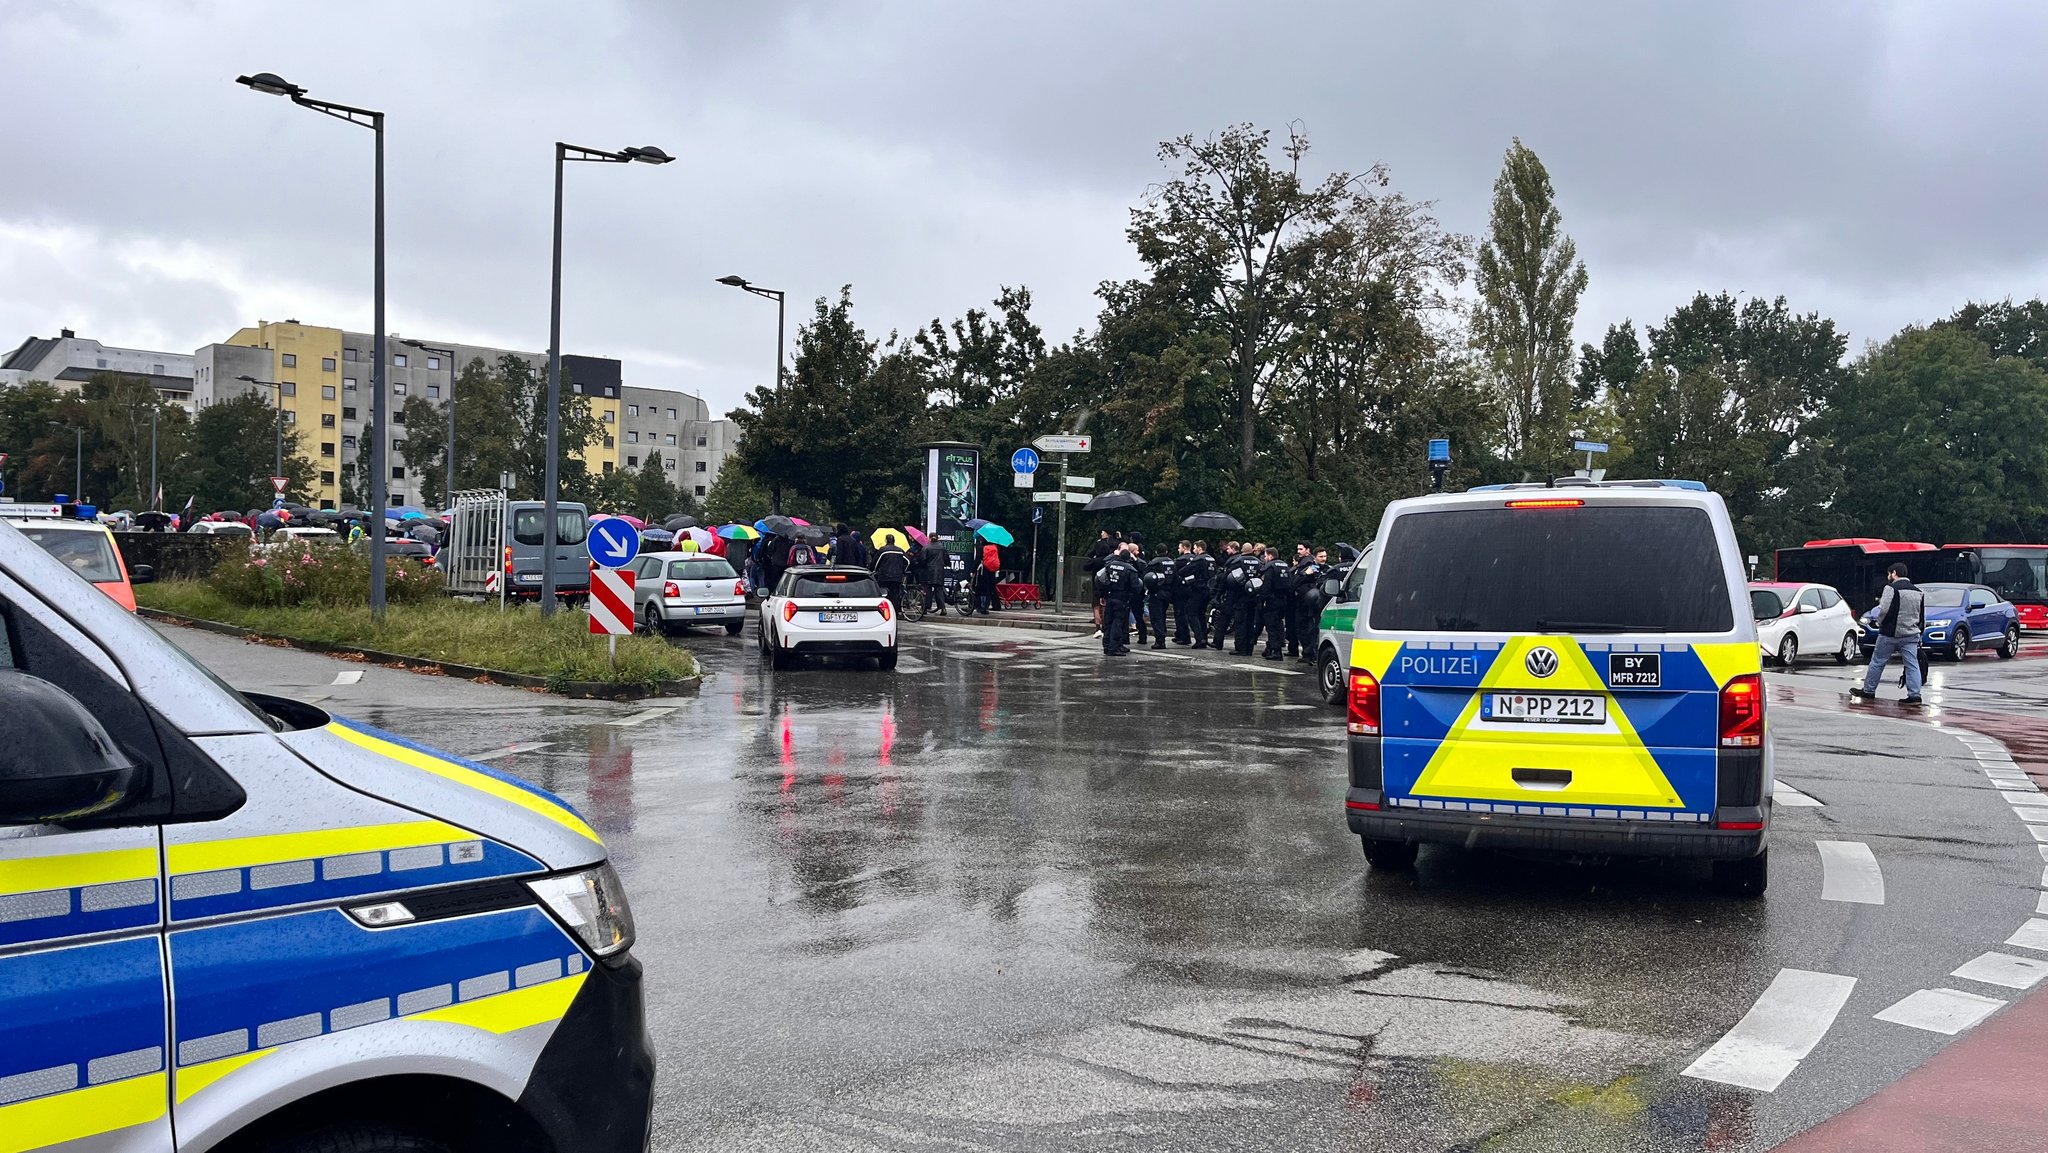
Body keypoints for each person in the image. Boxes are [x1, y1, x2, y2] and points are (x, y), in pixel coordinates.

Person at [1853, 562, 1926, 704]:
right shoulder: (1918, 591)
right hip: (1910, 634)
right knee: (1912, 664)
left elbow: (1884, 609)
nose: (1888, 576)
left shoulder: (1891, 588)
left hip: (1889, 634)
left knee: (1877, 662)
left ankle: (1869, 690)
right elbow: (1922, 615)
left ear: (1894, 573)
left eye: (1889, 574)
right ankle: (1914, 695)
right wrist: (1919, 631)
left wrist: (1880, 622)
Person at [1095, 545, 1141, 655]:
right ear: (1128, 558)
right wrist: (1131, 597)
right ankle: (1114, 647)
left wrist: (1102, 595)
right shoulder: (1130, 569)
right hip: (1122, 599)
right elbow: (1136, 587)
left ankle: (1107, 646)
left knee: (1108, 623)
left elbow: (1101, 579)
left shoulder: (1109, 565)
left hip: (1110, 597)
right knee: (1118, 623)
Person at [1289, 543, 1324, 662]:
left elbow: (1295, 582)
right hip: (1304, 602)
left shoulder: (1308, 565)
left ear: (1308, 551)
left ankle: (1309, 653)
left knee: (1307, 628)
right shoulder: (1305, 564)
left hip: (1308, 604)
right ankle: (1308, 653)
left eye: (1301, 549)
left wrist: (1303, 574)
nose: (1298, 551)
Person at [1258, 546, 1293, 660]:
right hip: (1283, 600)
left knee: (1271, 627)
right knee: (1278, 625)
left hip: (1271, 601)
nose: (1264, 558)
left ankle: (1276, 651)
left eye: (1266, 555)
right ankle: (1271, 648)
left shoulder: (1269, 567)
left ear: (1270, 556)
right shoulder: (1285, 566)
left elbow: (1266, 585)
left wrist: (1262, 599)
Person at [1178, 540, 1214, 647]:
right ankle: (1204, 638)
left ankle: (1199, 638)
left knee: (1191, 613)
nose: (1193, 550)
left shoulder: (1199, 559)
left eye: (1194, 548)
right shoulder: (1211, 559)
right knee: (1201, 614)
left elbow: (1184, 571)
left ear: (1199, 548)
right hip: (1208, 590)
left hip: (1198, 590)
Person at [1209, 541, 1244, 649]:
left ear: (1234, 549)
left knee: (1223, 619)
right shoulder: (1242, 560)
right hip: (1242, 595)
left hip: (1230, 594)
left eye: (1228, 549)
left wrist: (1218, 595)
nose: (1226, 550)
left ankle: (1218, 642)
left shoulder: (1233, 561)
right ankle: (1242, 645)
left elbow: (1225, 579)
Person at [1143, 548, 1176, 650]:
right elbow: (1176, 577)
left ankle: (1160, 640)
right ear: (1166, 551)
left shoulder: (1154, 562)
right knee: (1162, 615)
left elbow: (1146, 576)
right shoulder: (1172, 562)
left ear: (1157, 552)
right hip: (1168, 592)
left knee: (1156, 617)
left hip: (1157, 592)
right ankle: (1162, 636)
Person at [874, 540, 910, 610]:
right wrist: (903, 570)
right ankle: (895, 610)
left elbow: (876, 562)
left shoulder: (883, 550)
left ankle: (885, 609)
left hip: (884, 576)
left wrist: (874, 570)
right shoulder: (900, 550)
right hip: (897, 576)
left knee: (884, 593)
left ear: (886, 541)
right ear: (894, 541)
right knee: (895, 594)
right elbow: (908, 561)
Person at [976, 540, 1001, 614]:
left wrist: (973, 570)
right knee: (991, 589)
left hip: (984, 570)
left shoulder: (982, 548)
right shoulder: (994, 548)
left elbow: (977, 560)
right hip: (992, 571)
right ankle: (995, 606)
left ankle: (982, 607)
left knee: (982, 589)